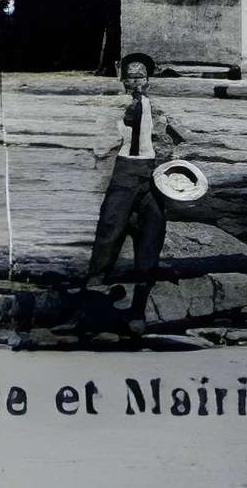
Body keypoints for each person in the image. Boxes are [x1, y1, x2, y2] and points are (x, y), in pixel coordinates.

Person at [83, 51, 185, 336]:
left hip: (151, 176)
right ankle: (89, 310)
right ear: (123, 80)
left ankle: (138, 311)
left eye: (141, 77)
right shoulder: (115, 107)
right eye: (131, 77)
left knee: (152, 234)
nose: (136, 82)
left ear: (149, 81)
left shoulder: (159, 109)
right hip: (123, 173)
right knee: (108, 232)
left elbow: (173, 141)